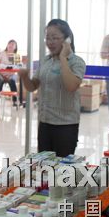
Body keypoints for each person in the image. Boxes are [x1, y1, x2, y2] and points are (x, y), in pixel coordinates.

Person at [18, 19, 86, 157]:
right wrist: (25, 77)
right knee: (45, 165)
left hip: (65, 125)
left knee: (62, 166)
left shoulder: (77, 62)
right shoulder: (46, 60)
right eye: (48, 38)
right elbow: (33, 86)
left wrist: (63, 58)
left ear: (67, 40)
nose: (50, 42)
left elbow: (71, 86)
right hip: (44, 122)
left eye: (55, 38)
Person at [0, 39, 22, 106]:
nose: (10, 45)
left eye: (13, 44)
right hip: (0, 74)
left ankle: (15, 101)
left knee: (12, 81)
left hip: (11, 75)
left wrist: (9, 75)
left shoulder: (16, 55)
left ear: (15, 47)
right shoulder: (1, 53)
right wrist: (3, 75)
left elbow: (17, 67)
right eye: (9, 44)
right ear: (7, 45)